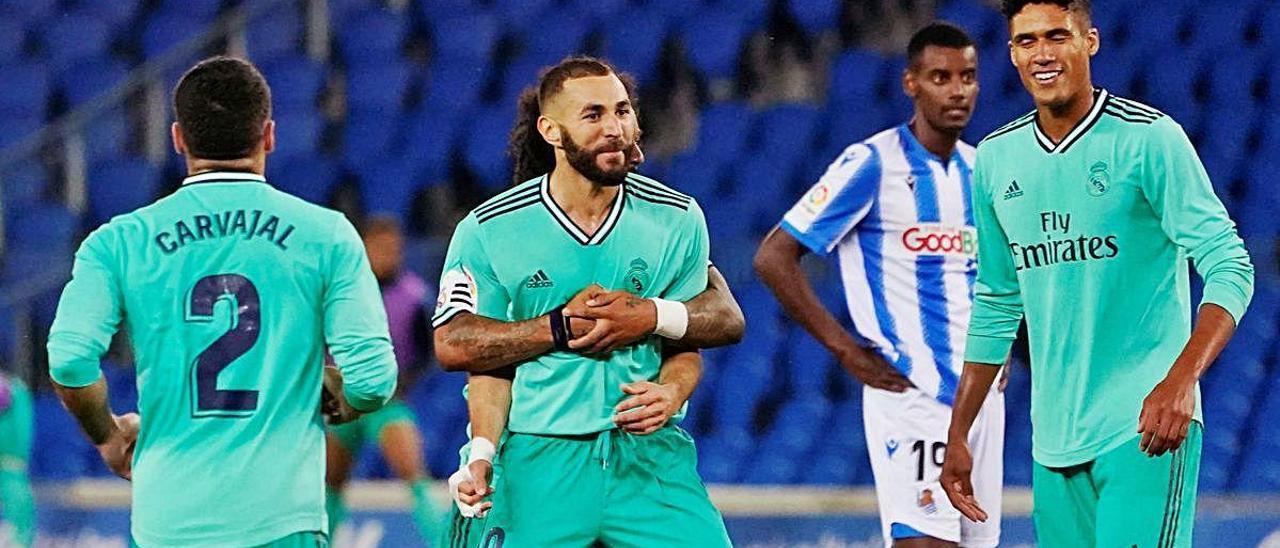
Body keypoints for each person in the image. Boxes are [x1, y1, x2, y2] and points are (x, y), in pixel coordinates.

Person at [46, 56, 398, 547]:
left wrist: (107, 435)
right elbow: (374, 381)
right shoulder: (327, 236)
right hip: (282, 520)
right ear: (269, 136)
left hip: (169, 522)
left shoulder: (119, 241)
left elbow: (68, 359)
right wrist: (334, 394)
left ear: (178, 139)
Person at [939, 2, 1255, 546]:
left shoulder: (1149, 139)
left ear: (1090, 41)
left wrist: (1180, 381)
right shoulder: (996, 159)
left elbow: (1229, 264)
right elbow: (995, 299)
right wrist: (959, 432)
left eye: (1057, 36)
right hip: (1054, 439)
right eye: (1027, 41)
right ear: (1012, 53)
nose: (1042, 54)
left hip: (1144, 426)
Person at [432, 56, 742, 547]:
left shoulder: (677, 218)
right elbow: (476, 356)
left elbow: (687, 345)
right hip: (538, 463)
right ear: (551, 131)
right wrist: (482, 453)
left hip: (647, 462)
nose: (615, 128)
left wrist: (671, 393)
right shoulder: (491, 229)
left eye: (622, 111)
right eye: (593, 115)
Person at [755, 23, 1003, 548]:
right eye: (940, 77)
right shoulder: (870, 164)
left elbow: (1002, 283)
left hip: (983, 399)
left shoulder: (984, 172)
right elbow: (775, 256)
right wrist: (845, 349)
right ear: (910, 83)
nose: (957, 90)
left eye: (968, 77)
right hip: (913, 391)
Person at [324, 215, 445, 543]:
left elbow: (426, 352)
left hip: (387, 403)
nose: (387, 254)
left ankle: (440, 542)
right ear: (364, 248)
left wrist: (399, 385)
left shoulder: (415, 295)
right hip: (341, 400)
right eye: (380, 247)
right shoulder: (341, 291)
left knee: (414, 476)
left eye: (393, 248)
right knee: (331, 483)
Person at [0, 372, 34, 547]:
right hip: (13, 474)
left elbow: (3, 394)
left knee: (19, 536)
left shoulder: (14, 389)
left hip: (12, 472)